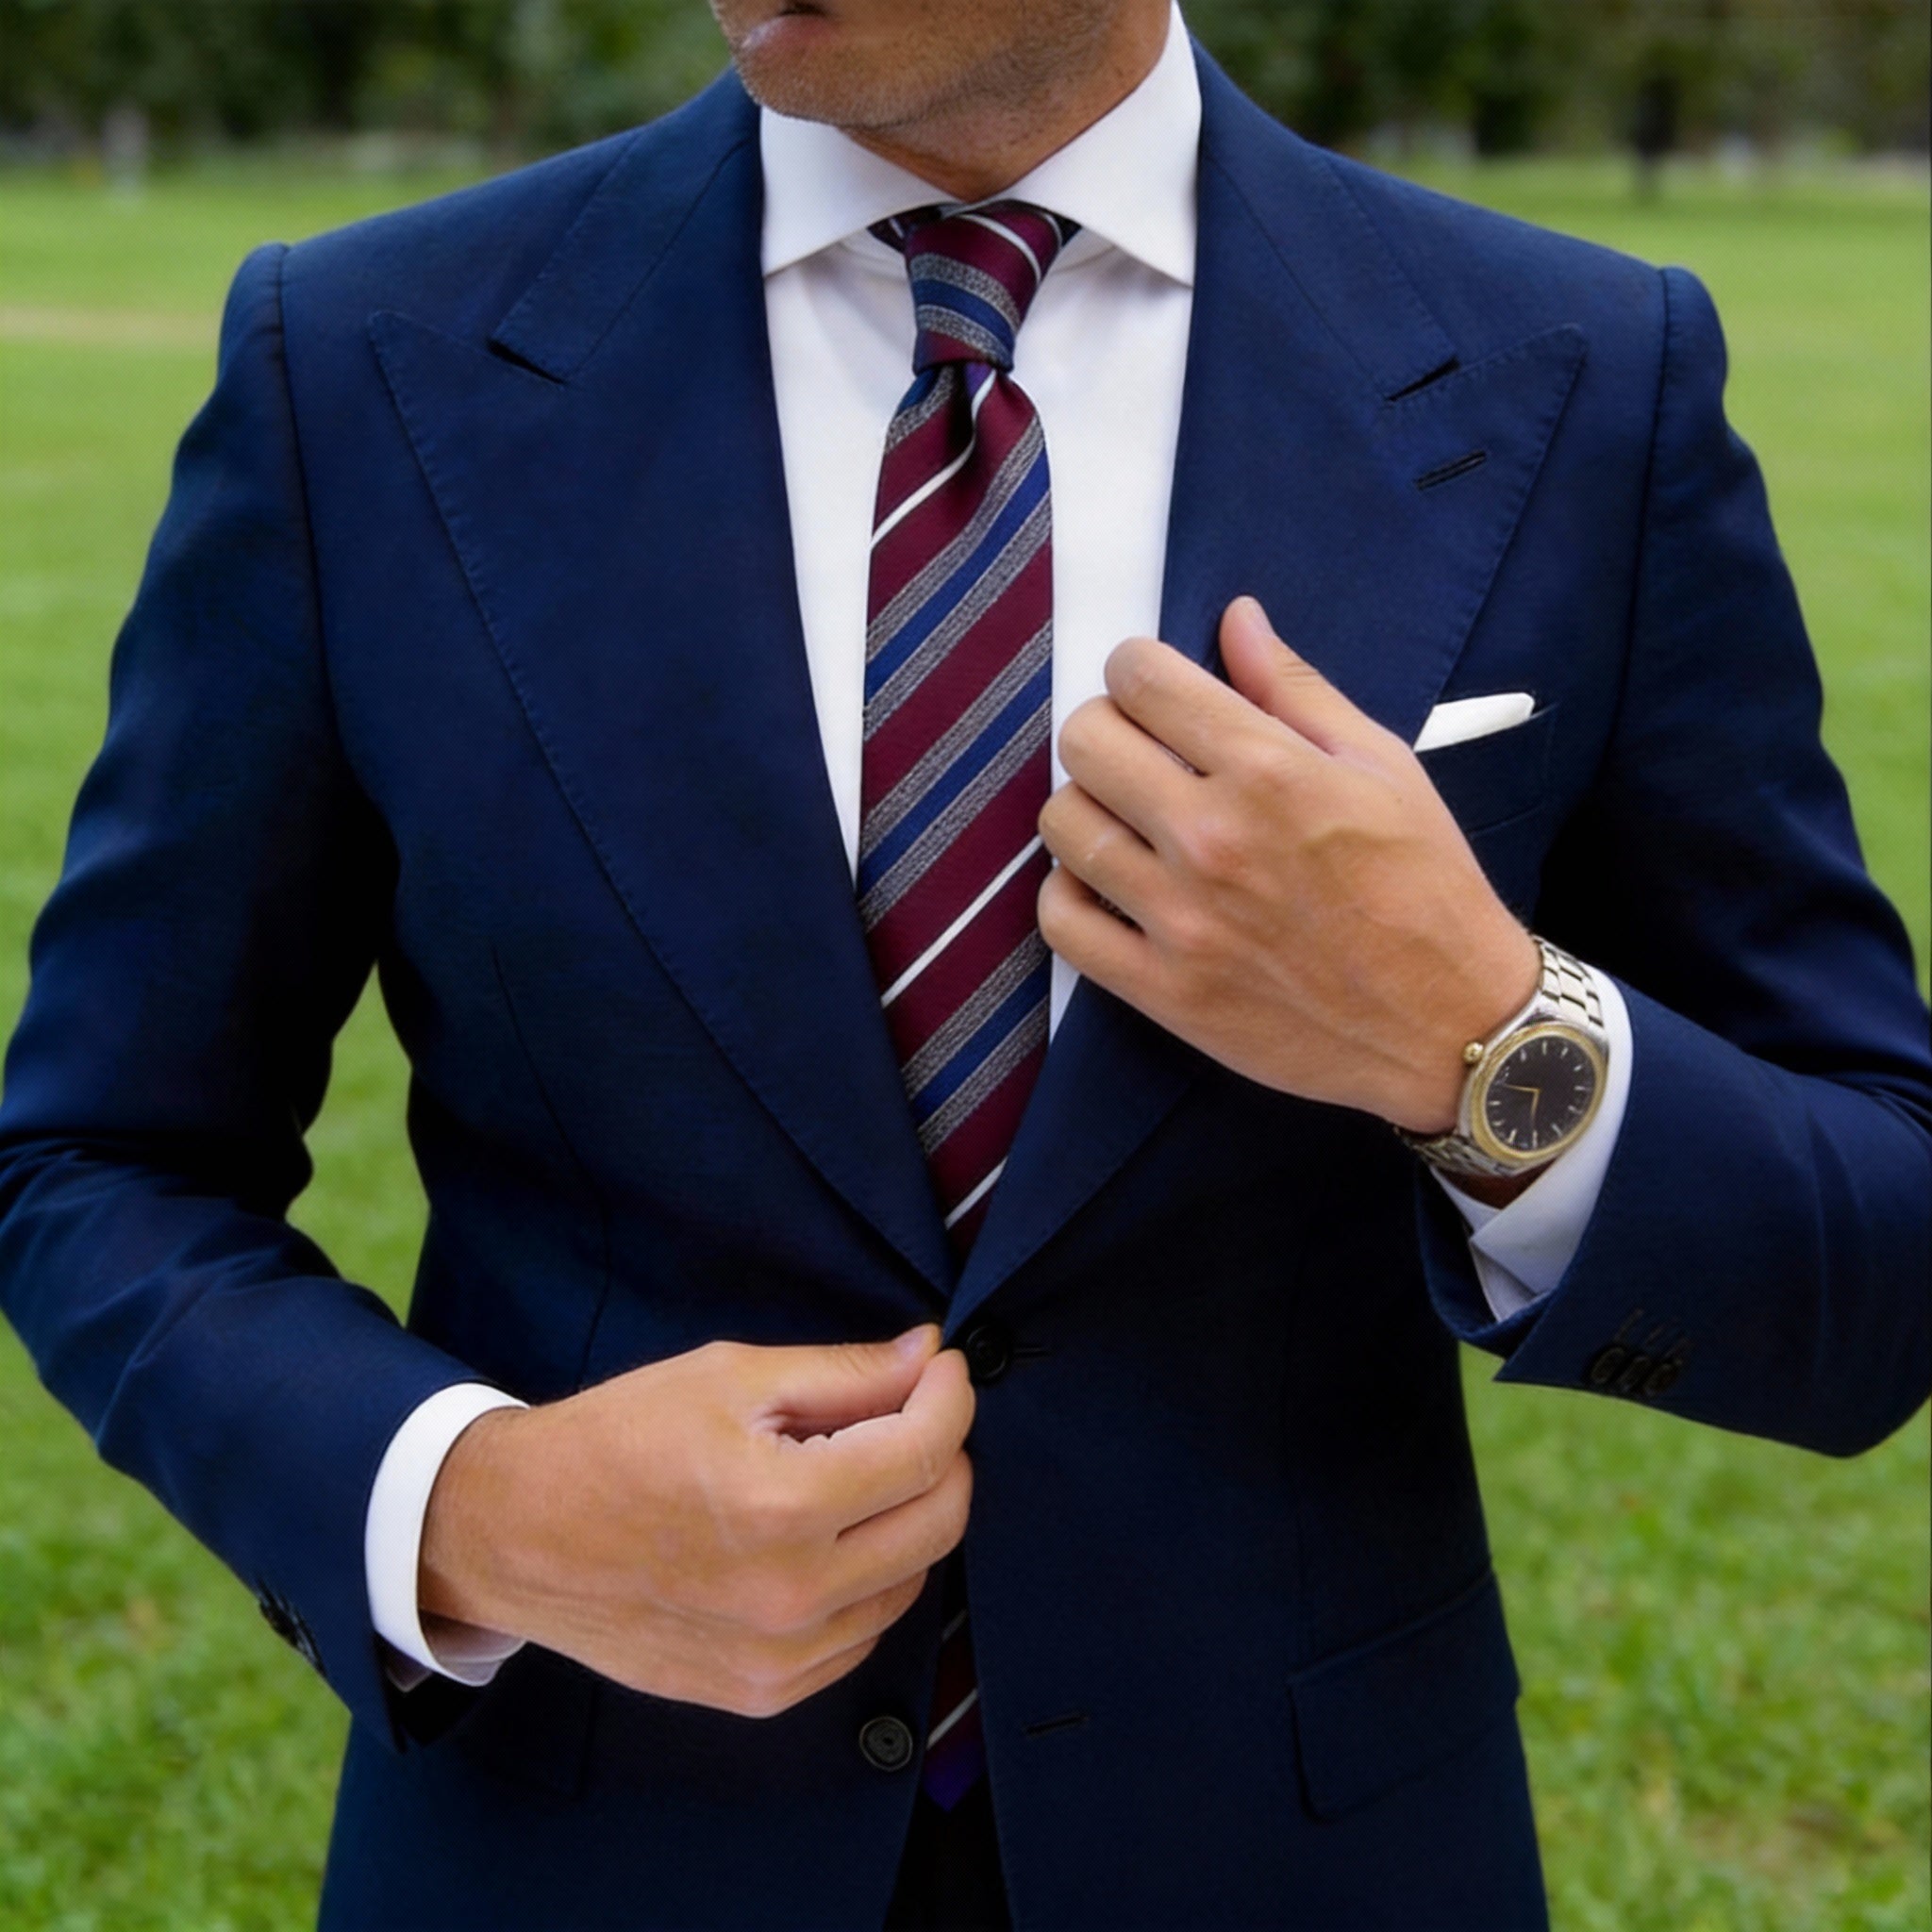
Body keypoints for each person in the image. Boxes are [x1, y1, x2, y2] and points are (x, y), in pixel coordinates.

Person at [1, 1, 1925, 1926]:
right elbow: (99, 1160)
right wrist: (470, 1510)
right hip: (580, 1844)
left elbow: (1878, 1260)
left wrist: (1478, 1036)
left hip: (1303, 1855)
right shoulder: (357, 366)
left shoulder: (1582, 376)